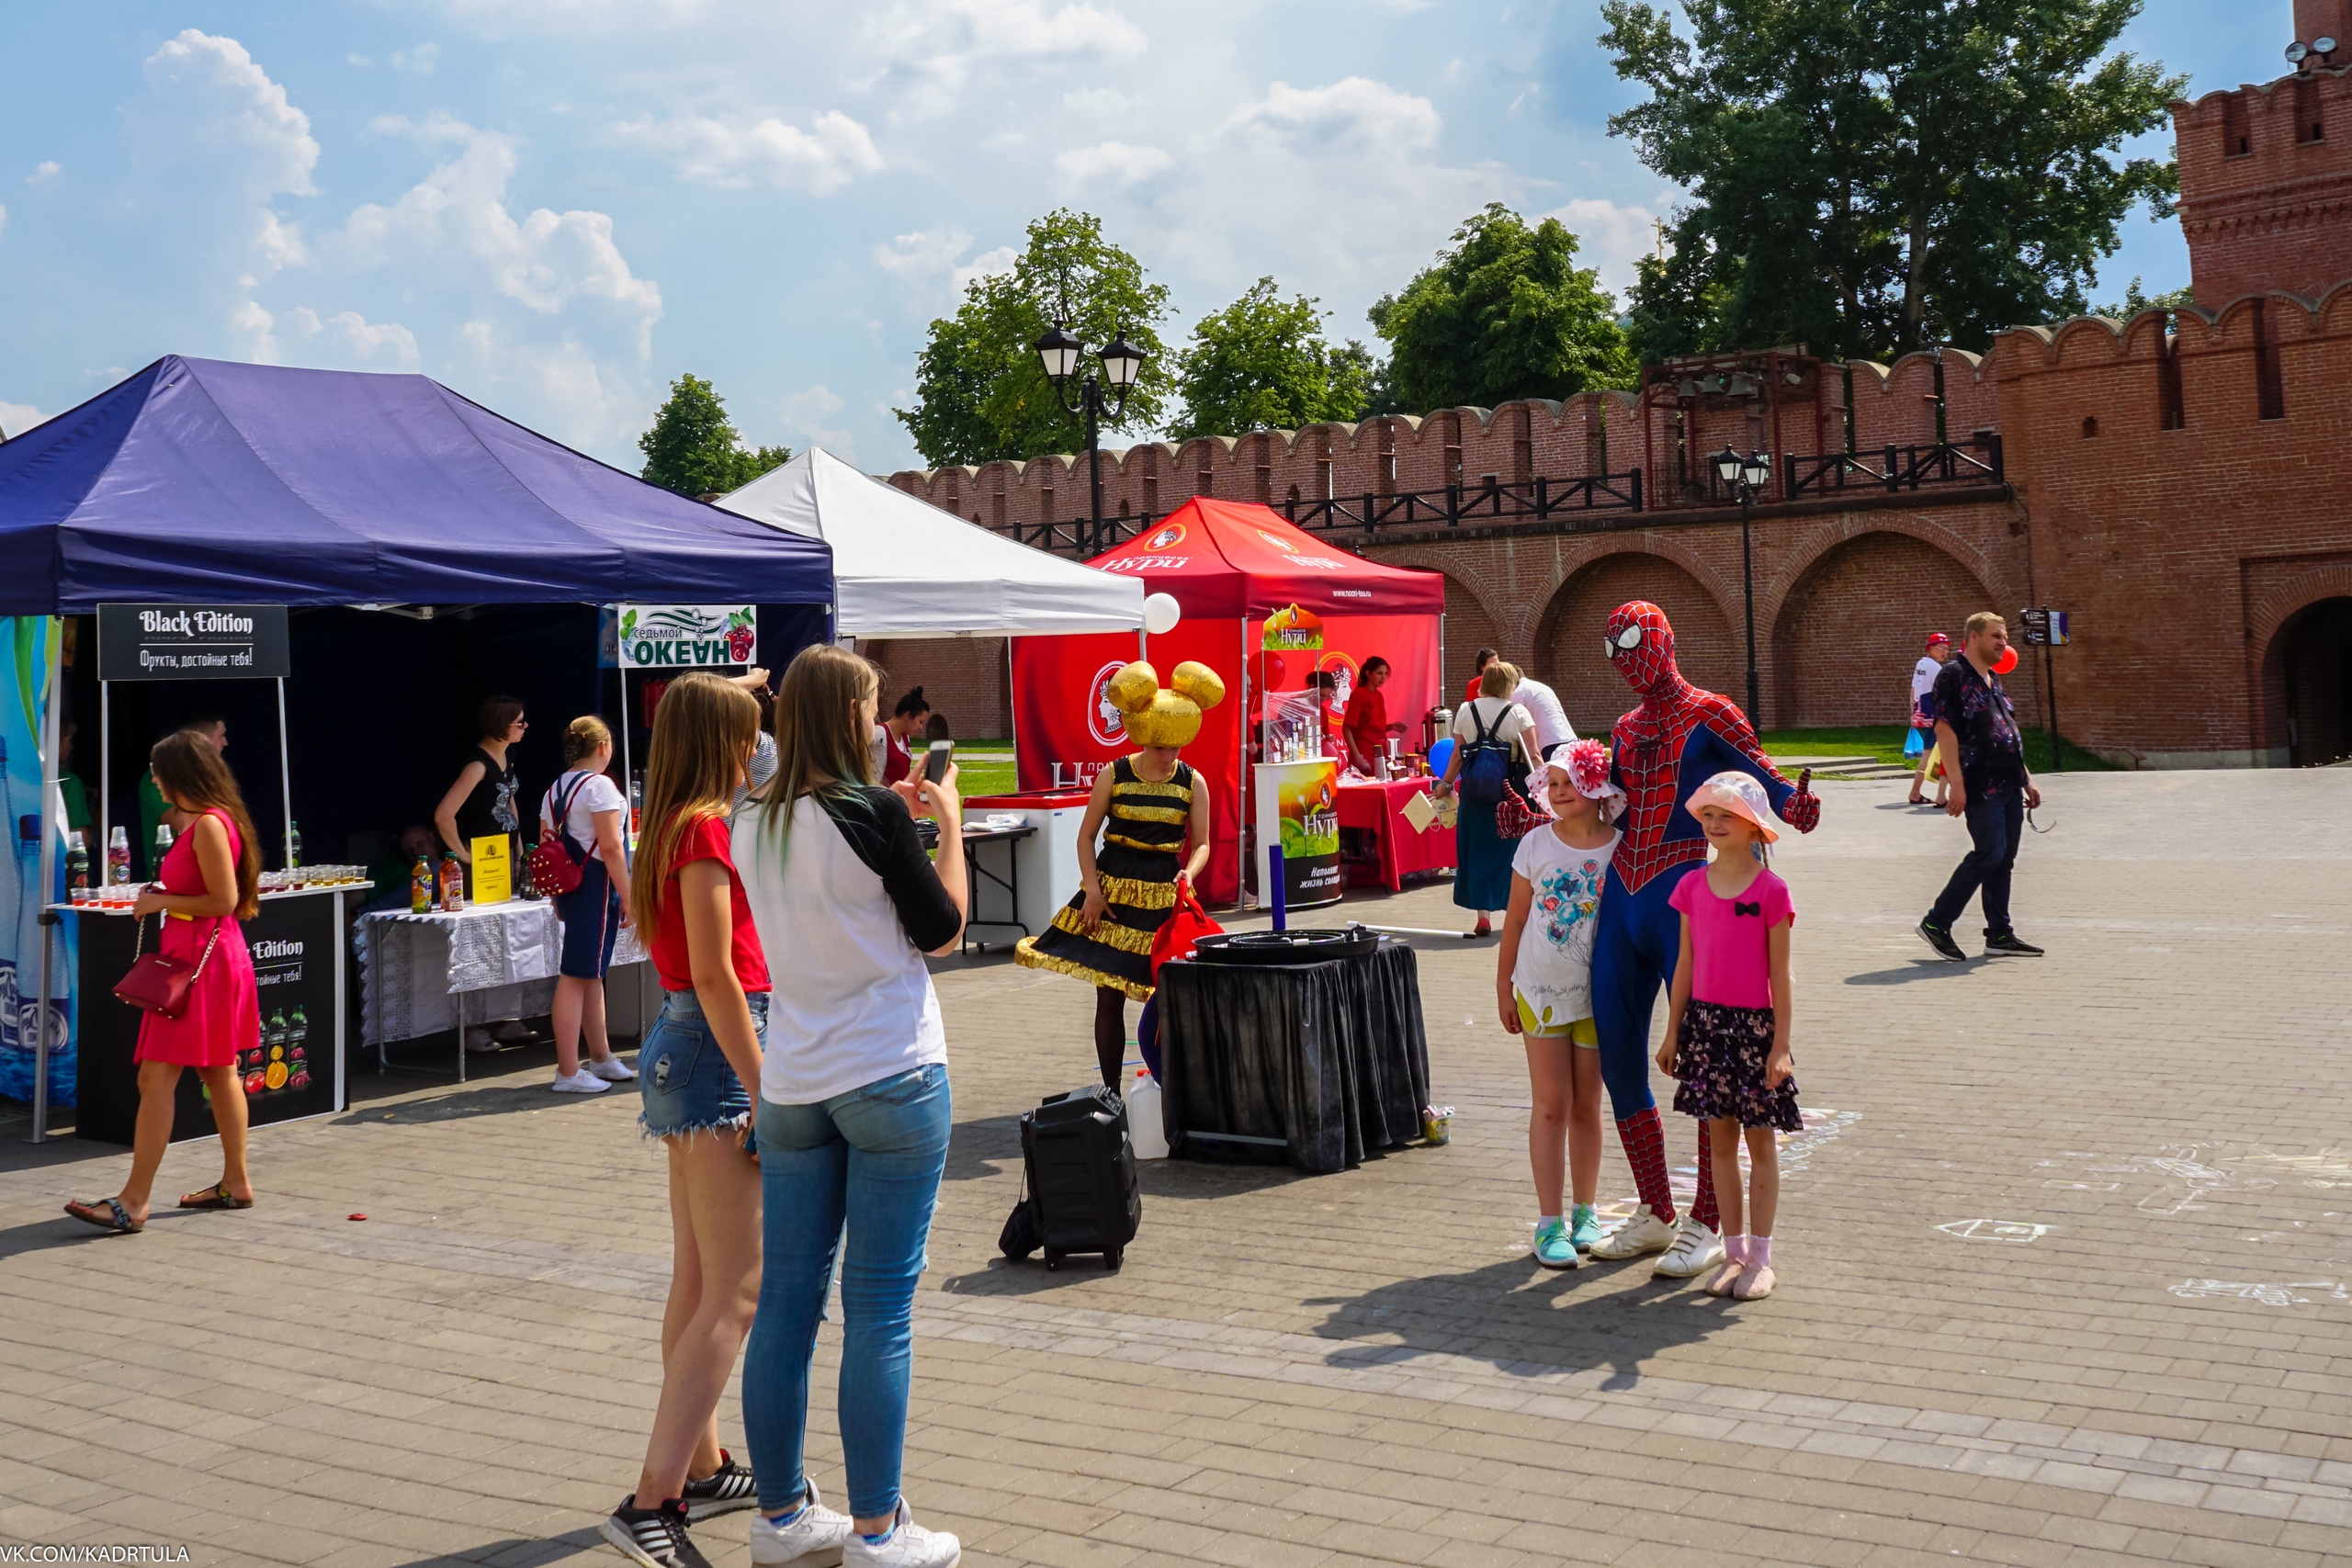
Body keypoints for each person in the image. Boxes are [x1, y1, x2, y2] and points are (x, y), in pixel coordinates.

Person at [733, 644, 969, 1568]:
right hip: (890, 1071)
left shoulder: (754, 815)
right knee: (877, 1307)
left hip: (794, 1078)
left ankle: (782, 1515)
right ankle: (878, 1528)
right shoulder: (870, 810)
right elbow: (943, 931)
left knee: (788, 1302)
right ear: (849, 717)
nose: (881, 724)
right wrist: (945, 822)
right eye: (870, 707)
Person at [1582, 601, 1818, 1282]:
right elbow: (1607, 804)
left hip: (1689, 896)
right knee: (1618, 1055)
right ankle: (1656, 1208)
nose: (1627, 657)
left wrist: (1791, 805)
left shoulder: (1711, 710)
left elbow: (1762, 774)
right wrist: (1539, 815)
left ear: (1665, 640)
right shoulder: (1625, 726)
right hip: (1624, 894)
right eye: (1615, 647)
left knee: (1710, 1058)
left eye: (1636, 641)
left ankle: (1710, 1222)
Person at [601, 673, 773, 1568]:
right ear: (720, 743)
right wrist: (766, 1087)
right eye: (747, 736)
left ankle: (699, 1467)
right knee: (735, 1291)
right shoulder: (703, 827)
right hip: (716, 1051)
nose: (757, 751)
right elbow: (719, 974)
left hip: (684, 1046)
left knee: (701, 1278)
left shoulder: (667, 819)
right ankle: (651, 1497)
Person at [65, 731, 262, 1234]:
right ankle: (236, 1183)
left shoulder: (208, 826)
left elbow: (223, 900)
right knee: (219, 1074)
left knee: (157, 1079)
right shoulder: (209, 820)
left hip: (203, 964)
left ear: (179, 774)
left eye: (157, 770)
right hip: (207, 961)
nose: (152, 779)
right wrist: (165, 892)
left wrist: (159, 901)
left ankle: (133, 1202)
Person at [1015, 660, 1223, 1088]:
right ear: (1144, 736)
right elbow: (1085, 837)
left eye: (1176, 749)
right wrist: (1092, 891)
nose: (1169, 757)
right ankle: (1110, 1093)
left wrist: (1189, 873)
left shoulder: (1192, 782)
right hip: (1111, 891)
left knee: (1170, 995)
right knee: (1107, 996)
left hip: (1163, 894)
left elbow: (1201, 842)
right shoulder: (1115, 774)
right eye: (1161, 747)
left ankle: (1175, 1086)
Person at [1658, 773, 1800, 1301]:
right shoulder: (1691, 886)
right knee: (1719, 1144)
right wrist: (1673, 1032)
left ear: (1753, 827)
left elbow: (1780, 974)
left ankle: (1761, 1258)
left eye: (1728, 816)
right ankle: (1734, 1252)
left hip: (1754, 1031)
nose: (1715, 824)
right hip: (1705, 1028)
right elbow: (1685, 964)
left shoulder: (1771, 891)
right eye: (1709, 815)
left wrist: (1780, 1044)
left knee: (1759, 1144)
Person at [1495, 739, 1623, 1268]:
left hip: (1600, 996)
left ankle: (1585, 1212)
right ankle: (1548, 1224)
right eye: (1553, 783)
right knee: (1551, 1105)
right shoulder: (1535, 845)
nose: (1561, 792)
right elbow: (1516, 920)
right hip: (1540, 992)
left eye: (1571, 781)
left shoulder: (1620, 846)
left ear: (1597, 786)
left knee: (1588, 1107)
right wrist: (1504, 985)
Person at [1918, 613, 2044, 962]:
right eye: (1996, 637)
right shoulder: (1953, 676)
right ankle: (1936, 923)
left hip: (2008, 783)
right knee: (1989, 853)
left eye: (2004, 638)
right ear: (1973, 637)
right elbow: (1945, 730)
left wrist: (2026, 777)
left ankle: (2000, 934)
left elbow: (2005, 733)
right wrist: (1956, 786)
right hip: (1980, 784)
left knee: (2004, 859)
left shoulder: (1992, 679)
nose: (2004, 643)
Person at [542, 716, 638, 1095]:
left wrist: (556, 895)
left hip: (571, 885)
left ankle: (599, 1056)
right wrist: (629, 894)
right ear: (603, 747)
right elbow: (613, 847)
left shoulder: (554, 788)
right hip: (596, 885)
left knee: (592, 972)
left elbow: (547, 846)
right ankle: (567, 1071)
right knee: (575, 975)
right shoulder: (599, 786)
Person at [1433, 660, 1538, 936]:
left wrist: (1445, 784)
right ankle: (1516, 915)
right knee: (1511, 854)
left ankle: (1483, 916)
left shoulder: (1466, 710)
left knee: (1476, 853)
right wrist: (1545, 785)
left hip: (1474, 793)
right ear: (1510, 684)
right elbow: (1534, 755)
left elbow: (1457, 754)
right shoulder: (1519, 712)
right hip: (1511, 796)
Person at [435, 694, 526, 898]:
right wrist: (465, 856)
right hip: (484, 859)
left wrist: (520, 855)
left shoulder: (507, 754)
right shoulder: (477, 766)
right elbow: (443, 815)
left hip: (506, 853)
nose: (525, 726)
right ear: (503, 726)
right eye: (520, 723)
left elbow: (509, 804)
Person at [139, 710, 225, 876]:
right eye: (221, 736)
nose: (225, 742)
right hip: (170, 879)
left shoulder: (211, 781)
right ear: (201, 740)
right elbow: (182, 824)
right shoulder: (156, 778)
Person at [1907, 633, 1954, 806]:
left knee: (1935, 753)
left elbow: (1914, 689)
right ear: (1931, 648)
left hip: (1922, 713)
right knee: (1930, 753)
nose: (1945, 652)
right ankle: (1915, 792)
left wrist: (1914, 712)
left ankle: (1924, 792)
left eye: (1947, 649)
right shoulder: (1935, 667)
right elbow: (1943, 693)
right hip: (1935, 715)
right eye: (1941, 648)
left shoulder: (1920, 664)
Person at [1341, 657, 1407, 773]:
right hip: (1364, 754)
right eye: (1379, 673)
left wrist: (1391, 727)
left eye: (1386, 674)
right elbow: (1347, 728)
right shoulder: (1360, 694)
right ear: (1368, 673)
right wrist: (1358, 757)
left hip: (1380, 753)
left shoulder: (1379, 696)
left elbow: (1372, 727)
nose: (1383, 678)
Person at [868, 687, 932, 787]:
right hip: (882, 799)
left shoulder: (905, 738)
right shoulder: (879, 733)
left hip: (900, 800)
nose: (921, 727)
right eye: (920, 722)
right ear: (907, 715)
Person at [1509, 669, 1578, 759]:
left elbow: (1513, 724)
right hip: (1569, 739)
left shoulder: (1518, 692)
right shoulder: (1542, 686)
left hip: (1549, 744)